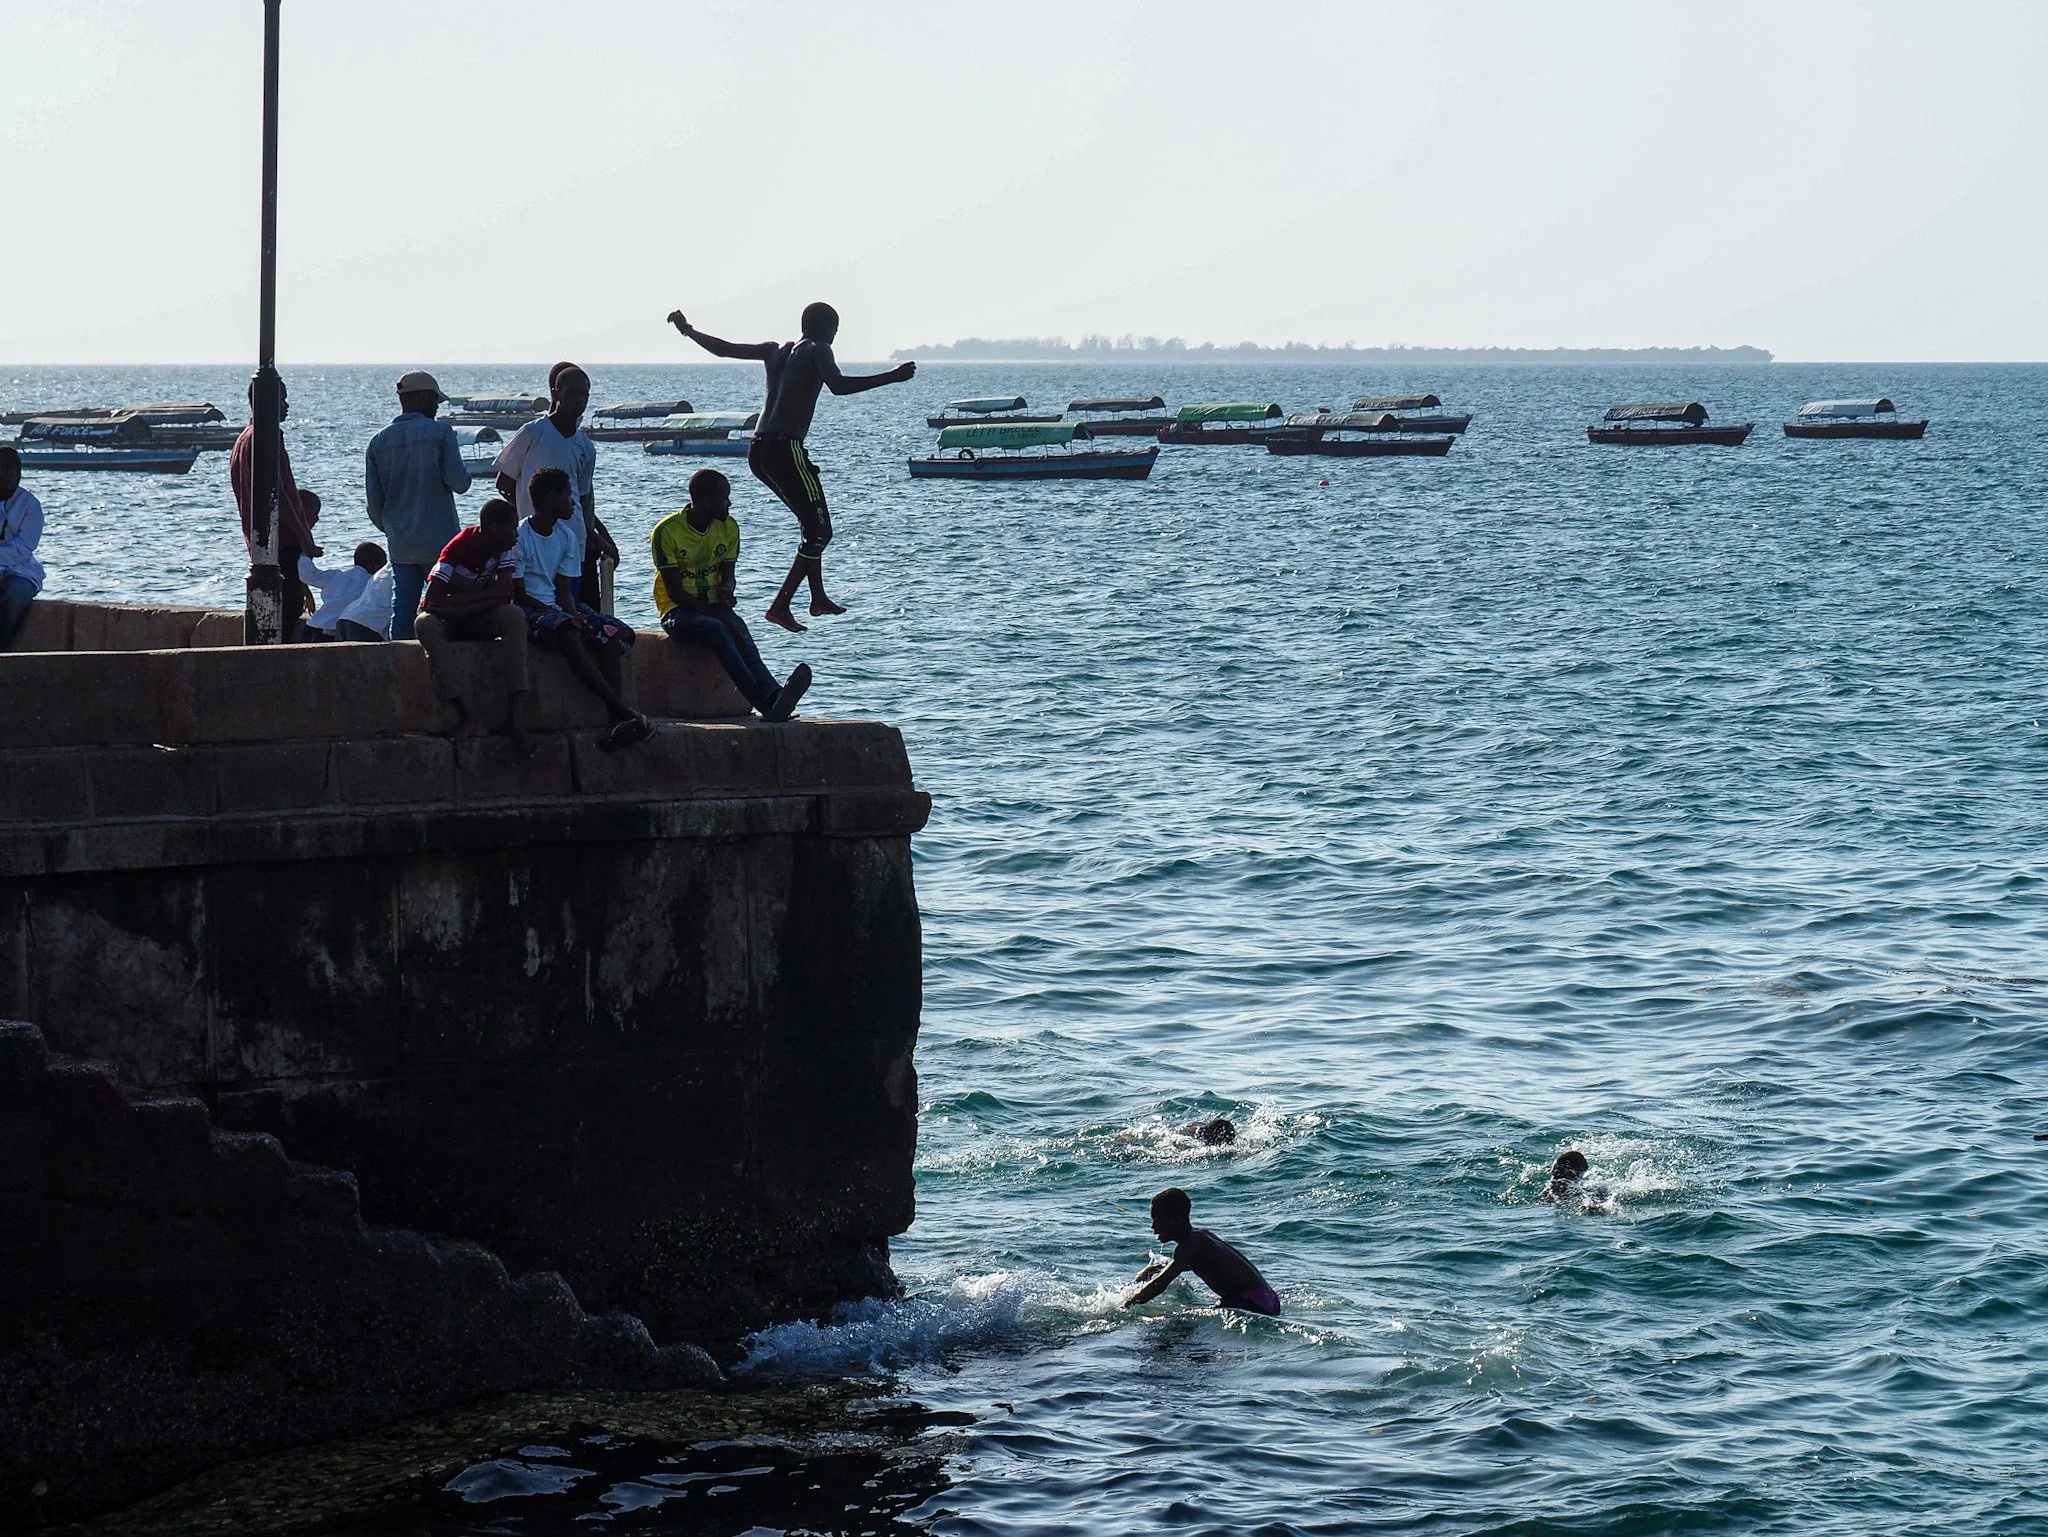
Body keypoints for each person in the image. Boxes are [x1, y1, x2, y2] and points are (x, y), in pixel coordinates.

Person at [666, 302, 915, 633]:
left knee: (810, 524)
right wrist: (892, 377)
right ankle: (781, 605)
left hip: (758, 449)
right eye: (835, 332)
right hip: (785, 447)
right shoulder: (819, 348)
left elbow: (725, 350)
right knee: (821, 530)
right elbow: (838, 386)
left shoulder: (775, 350)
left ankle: (817, 596)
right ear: (829, 329)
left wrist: (689, 331)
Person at [650, 468, 812, 723]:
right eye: (724, 498)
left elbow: (729, 574)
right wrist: (721, 619)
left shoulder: (728, 528)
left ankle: (774, 695)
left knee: (740, 631)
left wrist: (728, 590)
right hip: (677, 611)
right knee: (719, 629)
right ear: (705, 500)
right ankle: (766, 704)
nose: (729, 503)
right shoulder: (667, 531)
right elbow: (676, 593)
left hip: (714, 606)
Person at [516, 467, 651, 749]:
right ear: (552, 497)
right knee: (567, 631)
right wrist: (562, 617)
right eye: (567, 495)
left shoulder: (565, 537)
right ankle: (623, 712)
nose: (572, 502)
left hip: (556, 606)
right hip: (529, 610)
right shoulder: (520, 537)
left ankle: (616, 724)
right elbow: (517, 593)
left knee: (614, 634)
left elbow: (563, 588)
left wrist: (573, 612)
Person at [492, 364, 618, 610]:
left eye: (585, 395)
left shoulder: (585, 447)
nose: (579, 400)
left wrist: (601, 539)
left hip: (573, 541)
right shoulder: (533, 432)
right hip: (533, 541)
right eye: (572, 393)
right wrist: (532, 516)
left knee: (573, 604)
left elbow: (582, 501)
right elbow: (504, 482)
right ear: (556, 393)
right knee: (535, 602)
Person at [414, 498, 531, 755]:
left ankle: (517, 718)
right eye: (511, 528)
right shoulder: (458, 549)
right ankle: (470, 715)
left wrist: (461, 605)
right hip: (447, 620)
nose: (516, 535)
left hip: (469, 616)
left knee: (513, 616)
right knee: (424, 624)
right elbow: (432, 601)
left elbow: (504, 595)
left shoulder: (505, 549)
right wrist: (485, 597)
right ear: (493, 529)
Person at [365, 369, 469, 640]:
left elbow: (374, 505)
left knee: (403, 609)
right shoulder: (441, 433)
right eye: (435, 400)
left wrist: (392, 528)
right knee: (450, 604)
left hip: (401, 542)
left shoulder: (377, 443)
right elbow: (460, 482)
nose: (436, 406)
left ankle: (400, 666)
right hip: (440, 540)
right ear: (423, 397)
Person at [229, 376, 321, 642]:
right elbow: (277, 494)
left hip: (262, 546)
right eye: (281, 399)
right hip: (279, 544)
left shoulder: (244, 439)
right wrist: (305, 537)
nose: (286, 406)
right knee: (285, 617)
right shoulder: (265, 438)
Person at [1123, 1187, 1280, 1317]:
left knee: (1183, 1323)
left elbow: (1160, 1285)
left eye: (1157, 1220)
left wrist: (1127, 1305)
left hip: (1252, 1301)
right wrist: (1155, 1269)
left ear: (1176, 1220)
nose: (1153, 1227)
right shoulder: (1199, 1237)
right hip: (1269, 1299)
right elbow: (1206, 1264)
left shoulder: (1188, 1245)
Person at [0, 446, 44, 651]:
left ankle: (3, 650)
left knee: (18, 594)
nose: (11, 475)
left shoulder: (30, 505)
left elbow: (24, 547)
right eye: (5, 469)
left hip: (19, 567)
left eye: (15, 470)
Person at [299, 536, 384, 641]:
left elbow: (306, 574)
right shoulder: (372, 584)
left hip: (312, 628)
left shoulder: (335, 576)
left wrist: (305, 553)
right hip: (332, 634)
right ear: (373, 567)